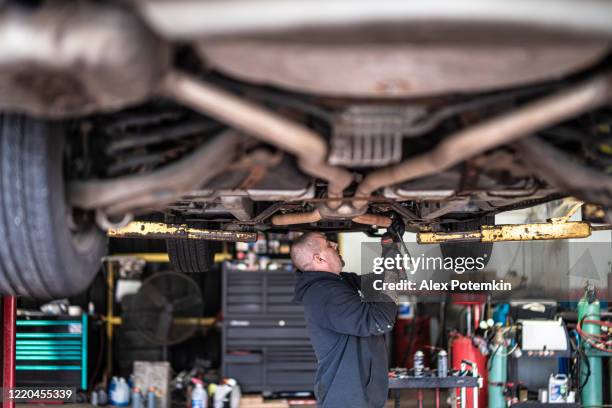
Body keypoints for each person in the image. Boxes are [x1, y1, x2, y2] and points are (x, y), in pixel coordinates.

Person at [292, 219, 405, 408]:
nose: (335, 244)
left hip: (356, 395)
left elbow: (383, 282)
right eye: (329, 244)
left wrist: (391, 245)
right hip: (347, 399)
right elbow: (381, 320)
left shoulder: (339, 282)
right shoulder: (326, 294)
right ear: (319, 259)